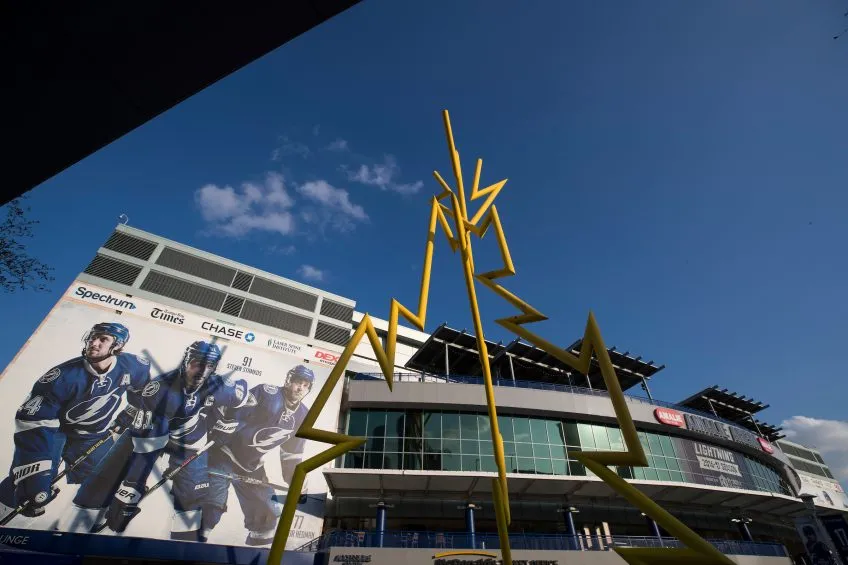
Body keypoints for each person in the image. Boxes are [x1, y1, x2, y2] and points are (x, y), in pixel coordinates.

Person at [60, 341, 249, 541]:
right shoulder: (160, 389)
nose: (202, 371)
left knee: (192, 495)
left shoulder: (221, 387)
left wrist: (228, 423)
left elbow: (243, 396)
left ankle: (184, 545)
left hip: (190, 439)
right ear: (186, 361)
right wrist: (131, 489)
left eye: (209, 366)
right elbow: (146, 450)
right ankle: (73, 529)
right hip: (152, 431)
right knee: (110, 471)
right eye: (197, 364)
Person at [0, 322, 150, 522]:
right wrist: (35, 471)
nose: (94, 343)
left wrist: (128, 414)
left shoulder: (134, 366)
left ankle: (98, 520)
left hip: (93, 434)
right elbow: (33, 420)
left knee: (114, 480)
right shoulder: (62, 377)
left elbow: (144, 393)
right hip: (53, 431)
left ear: (117, 346)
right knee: (31, 487)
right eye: (93, 337)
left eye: (103, 339)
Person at [203, 364, 315, 546]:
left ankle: (255, 557)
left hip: (250, 465)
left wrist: (297, 481)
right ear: (288, 381)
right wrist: (220, 430)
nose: (300, 388)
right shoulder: (267, 393)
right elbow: (233, 412)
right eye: (298, 382)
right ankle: (187, 550)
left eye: (305, 385)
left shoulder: (303, 415)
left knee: (266, 519)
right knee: (211, 507)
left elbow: (291, 455)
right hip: (223, 454)